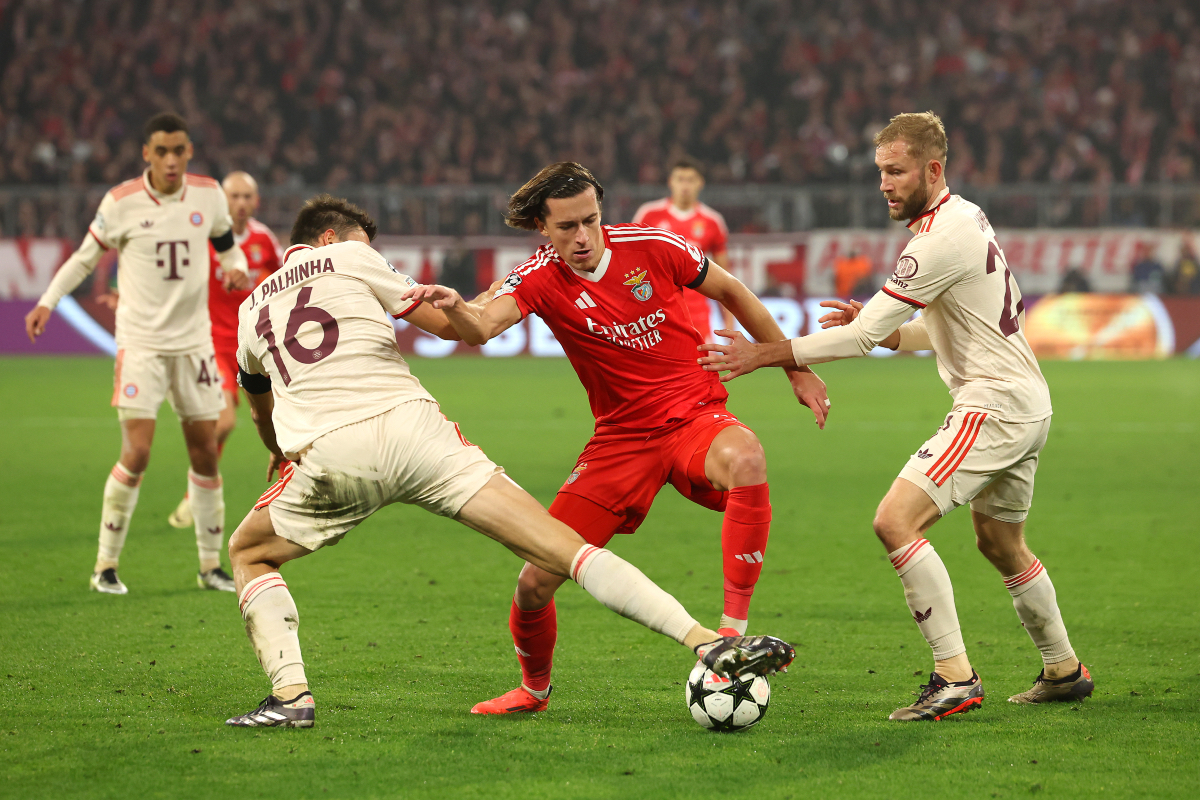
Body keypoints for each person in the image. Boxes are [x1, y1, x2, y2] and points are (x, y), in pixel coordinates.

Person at [223, 194, 794, 727]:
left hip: (332, 450)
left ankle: (290, 696)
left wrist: (278, 451)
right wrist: (464, 311)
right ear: (330, 239)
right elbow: (444, 325)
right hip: (417, 432)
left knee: (249, 551)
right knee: (567, 553)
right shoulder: (349, 256)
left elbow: (259, 401)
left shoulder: (252, 307)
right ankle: (702, 640)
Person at [698, 112, 1093, 721]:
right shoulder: (964, 217)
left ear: (933, 169)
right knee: (999, 541)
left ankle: (954, 677)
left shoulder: (936, 239)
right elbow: (948, 327)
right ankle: (1064, 668)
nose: (884, 183)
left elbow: (856, 339)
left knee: (894, 521)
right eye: (880, 171)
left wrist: (765, 354)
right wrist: (889, 335)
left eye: (896, 171)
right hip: (1026, 401)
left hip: (994, 405)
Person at [400, 162, 829, 715]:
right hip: (620, 442)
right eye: (566, 228)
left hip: (694, 417)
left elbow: (733, 290)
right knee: (534, 582)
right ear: (542, 229)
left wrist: (793, 366)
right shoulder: (537, 277)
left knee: (746, 455)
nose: (582, 237)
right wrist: (458, 308)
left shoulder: (655, 245)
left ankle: (730, 636)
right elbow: (482, 327)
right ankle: (533, 691)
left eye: (591, 221)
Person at [24, 112, 250, 595]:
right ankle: (105, 565)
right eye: (162, 151)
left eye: (180, 150)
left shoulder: (208, 195)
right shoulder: (122, 203)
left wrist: (237, 268)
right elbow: (86, 256)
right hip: (142, 345)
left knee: (206, 454)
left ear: (189, 152)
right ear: (146, 154)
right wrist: (48, 301)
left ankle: (210, 566)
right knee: (138, 452)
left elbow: (230, 250)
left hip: (194, 345)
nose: (172, 160)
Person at [167, 171, 284, 530]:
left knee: (283, 420)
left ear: (257, 201)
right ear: (222, 200)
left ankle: (287, 493)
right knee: (226, 421)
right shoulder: (203, 237)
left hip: (256, 343)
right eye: (234, 196)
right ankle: (195, 491)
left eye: (247, 196)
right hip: (213, 342)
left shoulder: (264, 240)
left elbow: (283, 281)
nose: (241, 203)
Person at [632, 157, 733, 344]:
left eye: (691, 179)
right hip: (655, 312)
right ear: (671, 182)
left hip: (697, 314)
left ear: (700, 183)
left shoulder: (712, 222)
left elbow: (724, 277)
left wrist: (729, 323)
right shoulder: (648, 214)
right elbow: (630, 263)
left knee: (703, 369)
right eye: (680, 179)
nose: (685, 185)